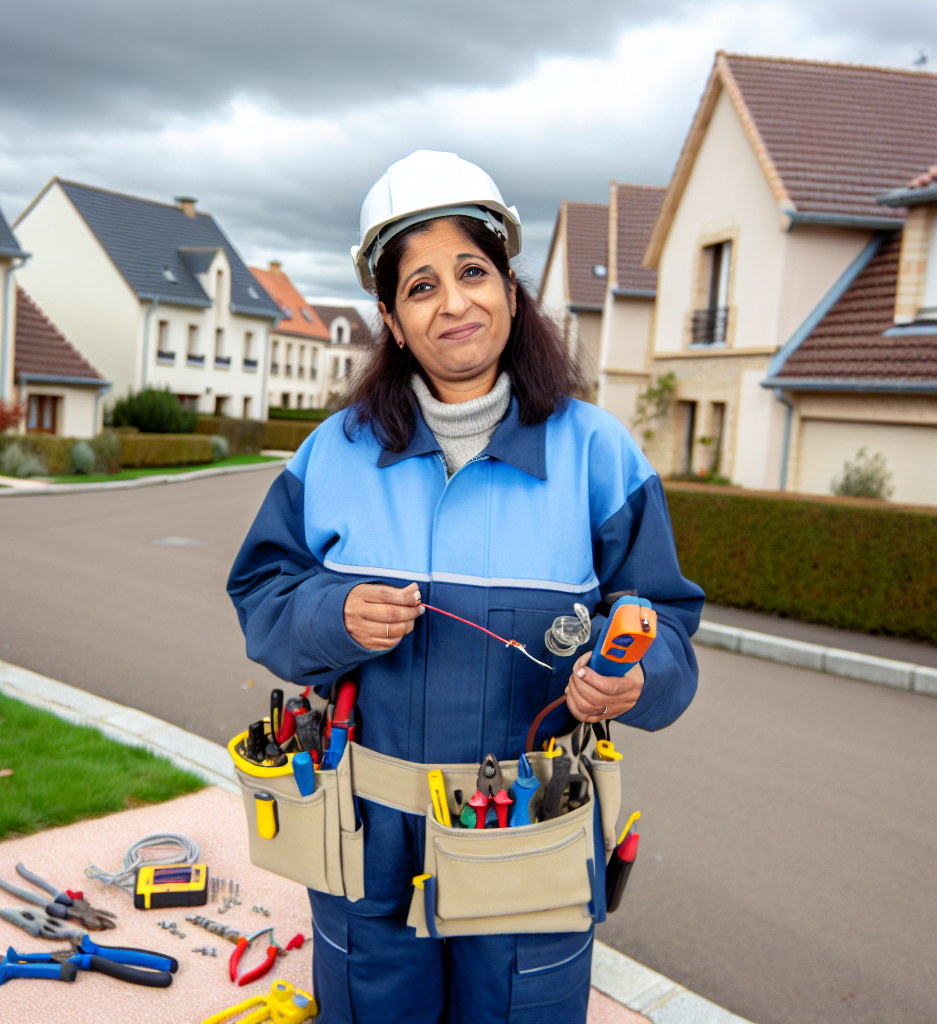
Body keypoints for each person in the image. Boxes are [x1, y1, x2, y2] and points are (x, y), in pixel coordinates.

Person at [228, 150, 704, 1024]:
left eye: (473, 272)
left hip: (531, 840)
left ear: (511, 291)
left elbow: (664, 621)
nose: (453, 303)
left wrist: (639, 676)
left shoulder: (600, 456)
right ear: (391, 318)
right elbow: (260, 594)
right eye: (420, 286)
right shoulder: (330, 454)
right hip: (363, 846)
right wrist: (332, 615)